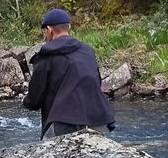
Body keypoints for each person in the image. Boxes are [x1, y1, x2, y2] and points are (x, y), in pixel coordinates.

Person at [23, 8, 116, 139]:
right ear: (69, 27)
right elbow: (96, 81)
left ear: (49, 30)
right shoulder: (87, 51)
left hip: (65, 120)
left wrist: (26, 102)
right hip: (98, 117)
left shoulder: (46, 56)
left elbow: (35, 98)